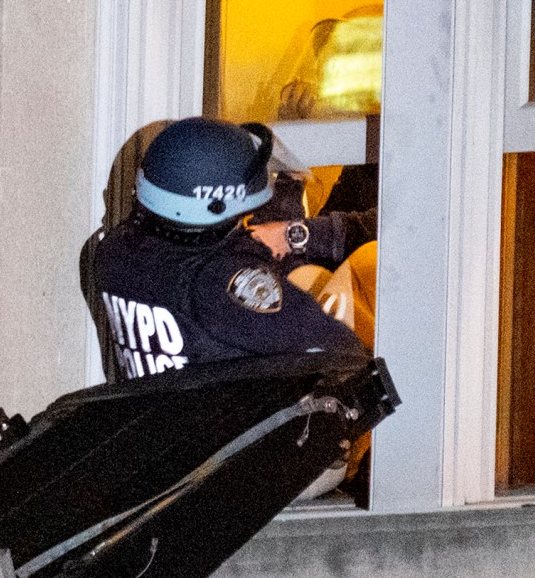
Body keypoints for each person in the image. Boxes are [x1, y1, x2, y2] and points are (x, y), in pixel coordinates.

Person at [86, 116, 371, 380]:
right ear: (217, 205)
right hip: (229, 428)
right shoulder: (223, 282)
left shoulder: (111, 252)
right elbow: (341, 354)